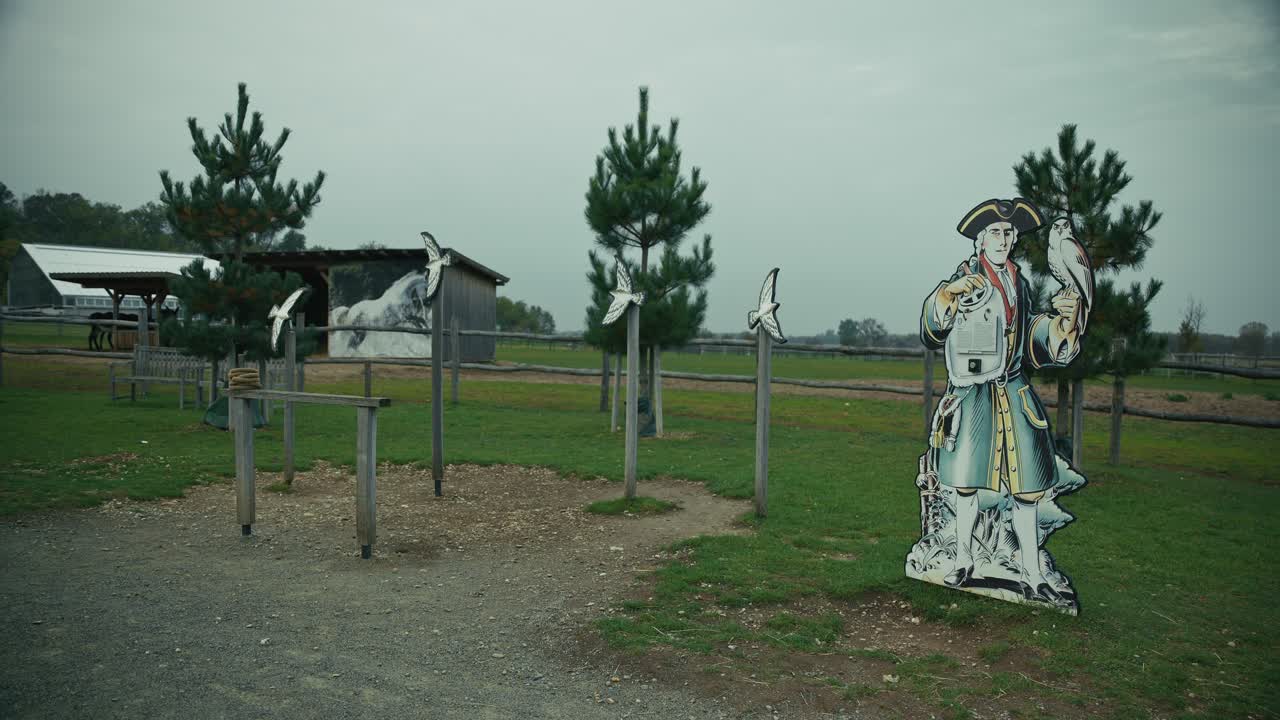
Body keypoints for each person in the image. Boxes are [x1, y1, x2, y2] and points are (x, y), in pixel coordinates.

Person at [918, 198, 1086, 605]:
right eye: (995, 232)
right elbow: (932, 326)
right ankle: (962, 561)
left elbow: (1028, 338)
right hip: (974, 395)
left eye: (1009, 233)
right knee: (965, 485)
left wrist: (1060, 326)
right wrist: (948, 295)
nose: (1004, 239)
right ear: (980, 239)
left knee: (1028, 489)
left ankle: (1032, 574)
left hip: (1013, 392)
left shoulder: (1019, 282)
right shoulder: (964, 278)